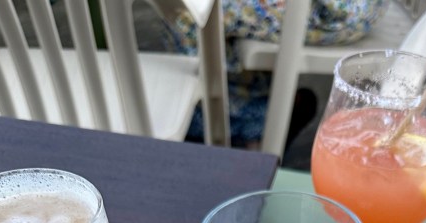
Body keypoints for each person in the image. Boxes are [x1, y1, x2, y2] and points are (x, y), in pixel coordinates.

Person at [161, 0, 389, 147]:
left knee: (190, 13)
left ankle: (229, 125)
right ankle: (254, 112)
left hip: (337, 9)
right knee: (195, 11)